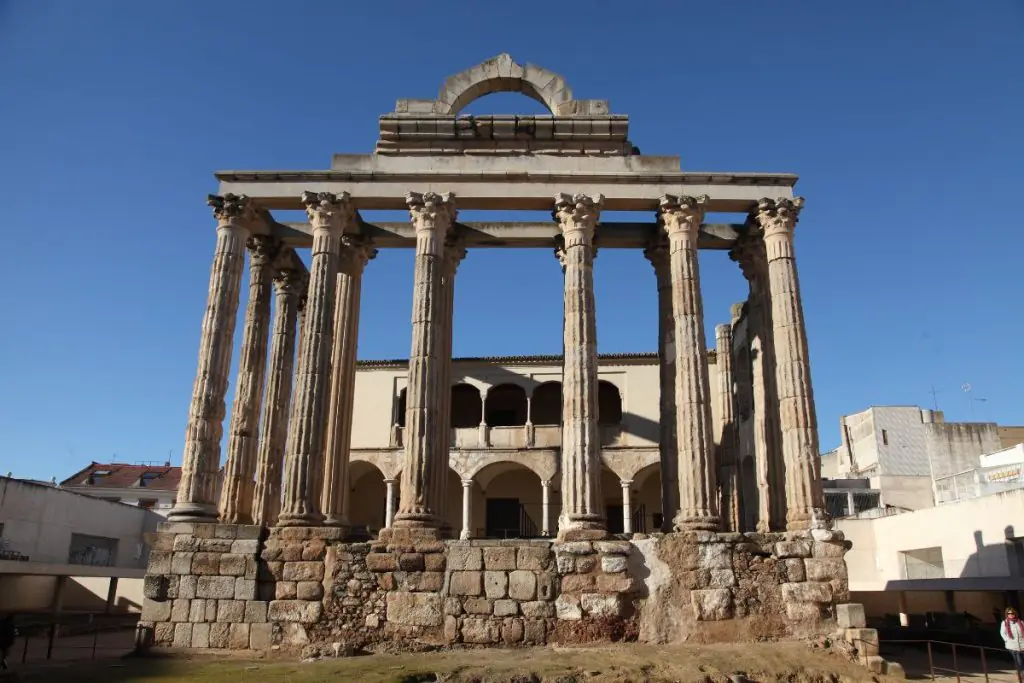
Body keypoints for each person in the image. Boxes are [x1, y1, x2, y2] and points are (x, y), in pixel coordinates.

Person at [1001, 607, 1024, 672]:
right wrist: (1007, 640)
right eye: (1009, 613)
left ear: (1015, 614)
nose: (1011, 614)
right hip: (1012, 646)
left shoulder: (1020, 622)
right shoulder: (1004, 623)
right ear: (1007, 614)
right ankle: (1022, 676)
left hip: (1022, 645)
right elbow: (1002, 633)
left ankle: (1020, 674)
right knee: (1020, 663)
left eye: (1012, 613)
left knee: (1021, 662)